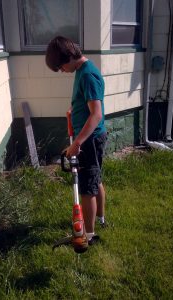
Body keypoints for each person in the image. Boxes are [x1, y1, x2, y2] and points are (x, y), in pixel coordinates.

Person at [45, 36, 107, 245]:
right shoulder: (81, 71)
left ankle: (89, 236)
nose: (62, 70)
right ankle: (101, 218)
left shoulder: (88, 75)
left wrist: (77, 143)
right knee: (95, 179)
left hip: (89, 139)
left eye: (61, 65)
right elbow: (87, 104)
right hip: (89, 135)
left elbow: (96, 114)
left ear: (70, 56)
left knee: (87, 188)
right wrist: (74, 110)